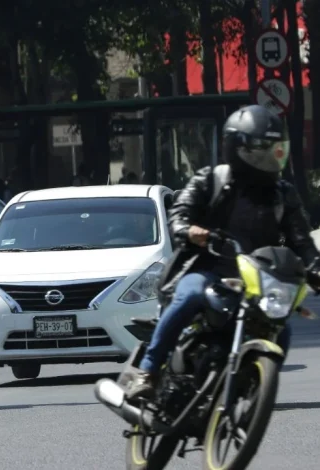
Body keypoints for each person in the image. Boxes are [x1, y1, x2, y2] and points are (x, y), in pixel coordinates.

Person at [127, 104, 320, 400]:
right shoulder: (211, 180)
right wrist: (189, 230)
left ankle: (250, 392)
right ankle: (148, 372)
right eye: (260, 151)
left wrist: (315, 269)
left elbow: (302, 242)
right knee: (189, 295)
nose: (269, 158)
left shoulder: (283, 194)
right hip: (207, 269)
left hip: (257, 280)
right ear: (237, 148)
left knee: (282, 332)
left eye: (275, 150)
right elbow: (178, 214)